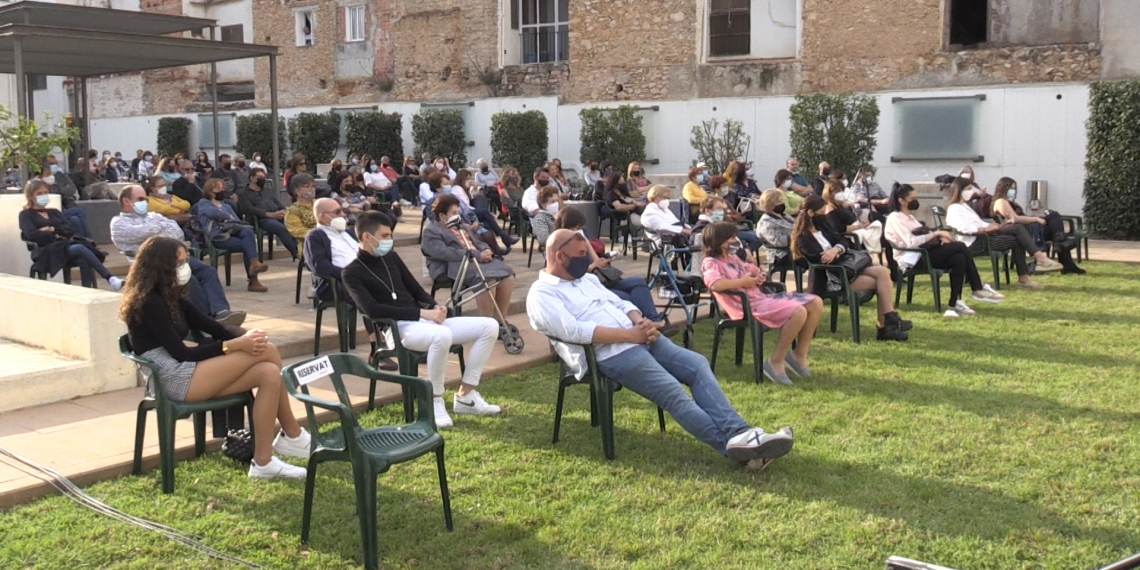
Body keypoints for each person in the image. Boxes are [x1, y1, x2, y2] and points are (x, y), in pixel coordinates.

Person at [529, 229, 795, 468]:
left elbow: (620, 303)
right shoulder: (542, 294)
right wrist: (630, 335)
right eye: (579, 255)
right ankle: (737, 449)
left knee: (697, 365)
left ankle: (741, 432)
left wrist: (640, 321)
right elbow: (575, 331)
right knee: (672, 391)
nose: (586, 261)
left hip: (639, 336)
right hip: (610, 354)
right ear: (559, 257)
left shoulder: (587, 280)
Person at [120, 236, 309, 480]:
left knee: (269, 374)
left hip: (186, 369)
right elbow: (182, 353)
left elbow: (214, 327)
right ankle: (292, 434)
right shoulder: (149, 301)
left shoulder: (170, 295)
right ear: (161, 266)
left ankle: (264, 462)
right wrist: (235, 346)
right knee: (267, 352)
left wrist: (247, 335)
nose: (184, 267)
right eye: (178, 263)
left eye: (185, 261)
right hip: (170, 377)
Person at [343, 211, 501, 428]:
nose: (390, 240)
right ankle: (434, 400)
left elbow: (415, 289)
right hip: (397, 329)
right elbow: (372, 310)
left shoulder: (391, 257)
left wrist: (433, 305)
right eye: (385, 235)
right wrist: (421, 313)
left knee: (489, 326)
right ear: (367, 237)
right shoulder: (351, 272)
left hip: (423, 322)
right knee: (442, 335)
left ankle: (466, 395)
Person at [702, 222, 823, 384]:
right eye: (730, 237)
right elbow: (714, 284)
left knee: (816, 301)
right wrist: (741, 282)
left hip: (760, 299)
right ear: (718, 241)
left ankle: (798, 355)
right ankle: (775, 361)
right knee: (798, 311)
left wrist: (758, 275)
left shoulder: (733, 257)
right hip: (745, 306)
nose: (735, 240)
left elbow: (751, 270)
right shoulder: (711, 263)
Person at [111, 186, 244, 325]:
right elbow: (139, 233)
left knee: (207, 271)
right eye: (140, 199)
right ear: (126, 201)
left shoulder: (154, 216)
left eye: (145, 199)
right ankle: (206, 320)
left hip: (176, 258)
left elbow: (176, 232)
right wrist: (160, 228)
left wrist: (154, 232)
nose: (145, 202)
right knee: (189, 278)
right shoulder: (118, 223)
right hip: (151, 264)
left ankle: (221, 312)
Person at [793, 195, 912, 340]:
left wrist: (836, 249)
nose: (825, 215)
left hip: (847, 266)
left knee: (882, 272)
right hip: (833, 276)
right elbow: (820, 259)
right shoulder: (802, 238)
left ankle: (888, 321)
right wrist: (836, 252)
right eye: (822, 212)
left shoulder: (822, 226)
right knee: (881, 283)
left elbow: (843, 240)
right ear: (811, 213)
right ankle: (885, 326)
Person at [885, 183, 1004, 318]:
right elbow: (911, 242)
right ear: (901, 201)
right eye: (912, 199)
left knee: (959, 258)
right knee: (960, 246)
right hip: (913, 258)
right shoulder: (895, 218)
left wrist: (940, 237)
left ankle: (954, 304)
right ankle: (977, 287)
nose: (915, 201)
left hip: (924, 253)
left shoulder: (910, 218)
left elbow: (925, 234)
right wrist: (937, 233)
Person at [422, 195, 517, 332]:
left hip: (474, 260)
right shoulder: (431, 231)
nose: (457, 215)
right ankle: (487, 324)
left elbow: (477, 242)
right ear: (442, 215)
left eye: (457, 212)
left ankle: (500, 320)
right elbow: (445, 253)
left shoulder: (460, 226)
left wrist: (485, 249)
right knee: (487, 280)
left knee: (507, 275)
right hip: (452, 266)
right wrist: (477, 256)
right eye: (453, 213)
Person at [944, 177, 1046, 290]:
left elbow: (979, 223)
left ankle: (1034, 265)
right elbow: (964, 227)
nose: (971, 192)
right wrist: (985, 230)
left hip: (984, 236)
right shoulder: (954, 209)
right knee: (1018, 237)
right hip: (976, 242)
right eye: (968, 189)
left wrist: (996, 226)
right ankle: (1033, 266)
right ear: (959, 190)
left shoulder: (964, 206)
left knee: (1017, 229)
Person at [19, 180, 122, 291]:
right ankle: (109, 278)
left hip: (63, 247)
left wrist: (52, 230)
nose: (44, 195)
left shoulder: (54, 212)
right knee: (78, 247)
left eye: (45, 192)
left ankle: (87, 290)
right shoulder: (26, 215)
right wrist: (58, 235)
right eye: (39, 193)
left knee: (83, 258)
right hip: (45, 251)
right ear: (31, 196)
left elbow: (70, 230)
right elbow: (32, 234)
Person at [989, 177, 1081, 274]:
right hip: (1023, 232)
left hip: (1028, 228)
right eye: (1011, 188)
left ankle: (1061, 244)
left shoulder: (1009, 202)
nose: (1013, 191)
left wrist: (1031, 217)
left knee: (1054, 217)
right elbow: (1015, 218)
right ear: (1003, 188)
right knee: (1055, 224)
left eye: (1015, 188)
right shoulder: (1000, 202)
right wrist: (1035, 219)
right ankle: (1064, 255)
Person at [197, 178, 268, 292]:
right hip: (217, 237)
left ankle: (254, 265)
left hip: (232, 233)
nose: (222, 190)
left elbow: (236, 220)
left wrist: (227, 219)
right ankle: (253, 279)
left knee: (248, 232)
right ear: (210, 191)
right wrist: (227, 217)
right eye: (218, 188)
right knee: (248, 246)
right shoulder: (203, 204)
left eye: (222, 188)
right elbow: (212, 212)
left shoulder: (227, 206)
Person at [239, 167, 299, 260]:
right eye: (260, 177)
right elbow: (249, 209)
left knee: (293, 224)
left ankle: (302, 250)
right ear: (251, 178)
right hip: (260, 219)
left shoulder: (267, 190)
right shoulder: (244, 193)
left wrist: (283, 212)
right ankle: (297, 253)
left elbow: (278, 203)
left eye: (264, 177)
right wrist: (269, 214)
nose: (262, 179)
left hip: (277, 215)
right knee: (280, 228)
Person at [821, 181, 883, 255]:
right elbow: (837, 228)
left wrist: (861, 224)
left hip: (858, 229)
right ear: (830, 194)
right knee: (881, 235)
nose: (841, 193)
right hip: (851, 237)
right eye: (838, 191)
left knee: (879, 225)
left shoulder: (840, 205)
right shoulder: (830, 208)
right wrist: (858, 227)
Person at [640, 185, 691, 251]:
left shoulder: (664, 209)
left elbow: (674, 221)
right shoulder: (649, 212)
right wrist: (683, 230)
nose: (666, 200)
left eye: (667, 198)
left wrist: (687, 228)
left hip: (672, 237)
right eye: (664, 198)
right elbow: (661, 227)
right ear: (655, 197)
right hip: (662, 242)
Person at [755, 190, 795, 267]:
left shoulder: (784, 215)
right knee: (814, 256)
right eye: (778, 201)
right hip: (780, 255)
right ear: (770, 204)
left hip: (793, 250)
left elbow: (797, 226)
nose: (782, 203)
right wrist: (796, 236)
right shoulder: (765, 222)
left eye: (781, 200)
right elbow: (777, 241)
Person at [285, 174, 318, 240]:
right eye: (307, 186)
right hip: (309, 245)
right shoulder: (293, 211)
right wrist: (319, 234)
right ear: (297, 191)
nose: (311, 189)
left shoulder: (321, 203)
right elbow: (297, 231)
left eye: (312, 186)